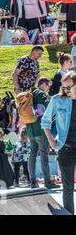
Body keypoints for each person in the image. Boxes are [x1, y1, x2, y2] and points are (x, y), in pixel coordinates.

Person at [42, 71, 76, 214]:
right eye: (64, 87)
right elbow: (45, 121)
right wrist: (51, 141)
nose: (66, 90)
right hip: (66, 149)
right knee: (68, 187)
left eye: (69, 87)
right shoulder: (57, 99)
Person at [26, 77, 59, 189]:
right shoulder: (40, 94)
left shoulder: (29, 93)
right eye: (48, 86)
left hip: (30, 130)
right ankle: (47, 182)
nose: (49, 88)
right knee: (44, 155)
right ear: (43, 84)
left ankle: (32, 181)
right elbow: (48, 108)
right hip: (40, 129)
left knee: (32, 154)